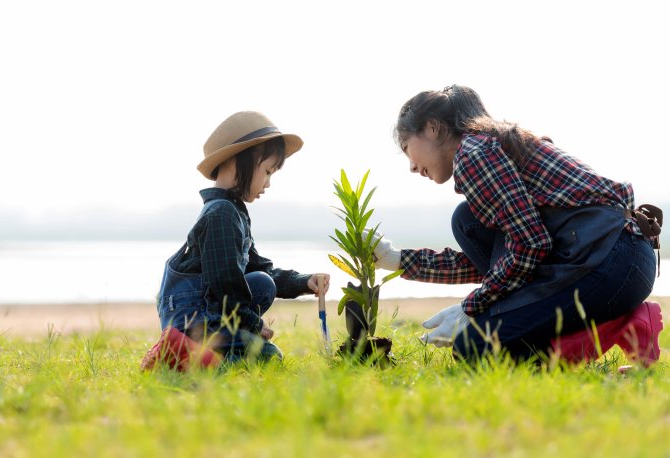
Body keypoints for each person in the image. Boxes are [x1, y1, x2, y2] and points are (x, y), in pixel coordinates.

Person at [370, 85, 663, 366]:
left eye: (407, 148)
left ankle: (619, 327)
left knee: (474, 347)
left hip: (609, 261)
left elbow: (529, 244)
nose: (410, 165)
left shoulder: (474, 154)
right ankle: (621, 320)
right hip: (618, 259)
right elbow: (507, 259)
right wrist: (397, 260)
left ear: (432, 128)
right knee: (467, 221)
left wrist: (470, 308)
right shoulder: (487, 147)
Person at [141, 111, 330, 370]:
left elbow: (259, 270)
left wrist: (303, 282)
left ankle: (206, 352)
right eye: (267, 171)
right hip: (195, 321)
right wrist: (254, 324)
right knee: (269, 356)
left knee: (262, 284)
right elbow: (225, 284)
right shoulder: (221, 214)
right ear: (239, 161)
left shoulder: (233, 211)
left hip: (211, 313)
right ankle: (183, 354)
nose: (268, 183)